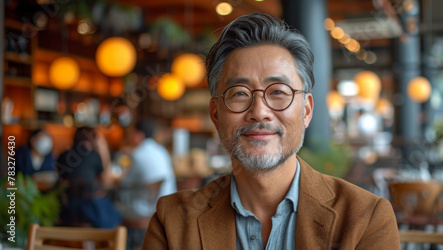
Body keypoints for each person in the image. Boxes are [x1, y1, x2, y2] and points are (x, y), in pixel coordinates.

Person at [143, 13, 399, 249]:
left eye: (278, 92)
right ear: (215, 115)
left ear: (306, 111)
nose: (259, 111)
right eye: (240, 94)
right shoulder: (173, 221)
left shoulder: (365, 218)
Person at [57, 126, 121, 228]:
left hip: (66, 210)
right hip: (89, 210)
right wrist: (103, 148)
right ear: (94, 139)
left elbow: (60, 179)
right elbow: (106, 181)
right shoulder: (94, 155)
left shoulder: (63, 155)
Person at [120, 119, 177, 218]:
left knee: (114, 206)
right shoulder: (162, 150)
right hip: (169, 204)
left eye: (132, 133)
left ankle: (121, 233)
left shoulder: (137, 153)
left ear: (139, 135)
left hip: (147, 209)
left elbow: (125, 182)